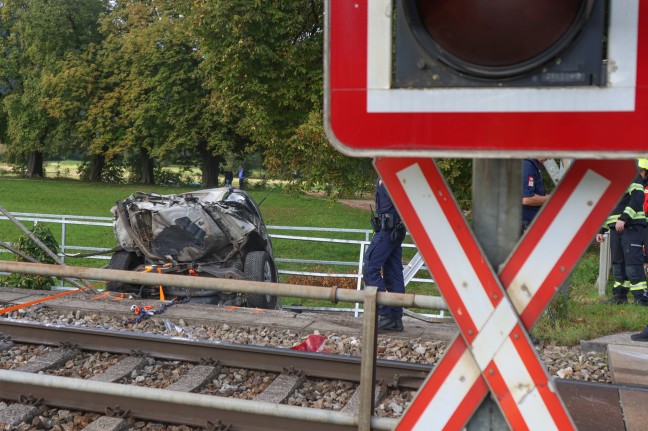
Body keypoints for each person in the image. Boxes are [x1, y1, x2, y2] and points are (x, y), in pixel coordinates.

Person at [597, 159, 648, 306]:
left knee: (633, 263)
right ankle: (620, 297)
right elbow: (609, 206)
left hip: (631, 226)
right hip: (615, 228)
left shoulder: (632, 175)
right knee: (618, 263)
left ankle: (641, 298)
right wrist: (602, 229)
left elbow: (638, 198)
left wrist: (624, 218)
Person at [363, 178, 407, 332]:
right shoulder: (391, 171)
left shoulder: (390, 172)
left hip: (388, 230)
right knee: (393, 272)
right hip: (394, 230)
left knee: (370, 266)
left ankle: (385, 314)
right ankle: (395, 319)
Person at [521, 158, 550, 232]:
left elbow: (536, 193)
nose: (549, 157)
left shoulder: (533, 165)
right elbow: (527, 199)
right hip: (527, 222)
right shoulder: (527, 165)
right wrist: (552, 198)